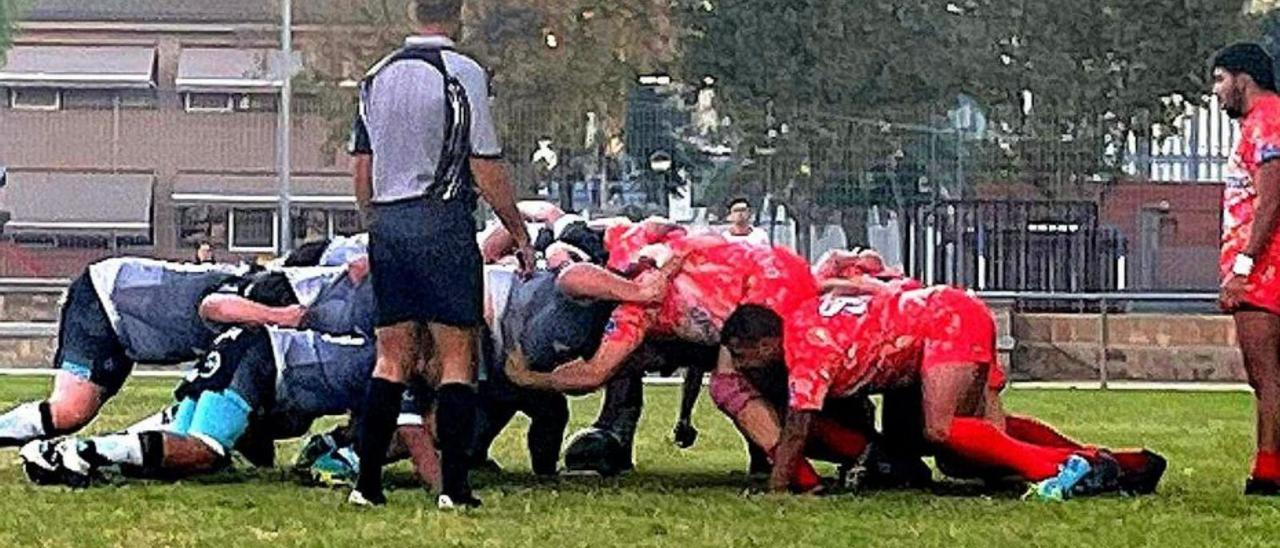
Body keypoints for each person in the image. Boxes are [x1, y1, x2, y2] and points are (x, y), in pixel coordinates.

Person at [719, 285, 1163, 500]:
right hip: (948, 314)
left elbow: (798, 427)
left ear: (765, 343)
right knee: (974, 446)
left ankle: (1072, 466)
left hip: (946, 322)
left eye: (742, 356)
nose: (739, 367)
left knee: (941, 431)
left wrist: (778, 490)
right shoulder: (803, 317)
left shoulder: (804, 351)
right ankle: (1122, 462)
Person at [347, 0, 534, 508]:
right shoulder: (462, 72)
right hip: (442, 221)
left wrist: (375, 222)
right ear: (459, 16)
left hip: (388, 223)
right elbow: (484, 162)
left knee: (391, 357)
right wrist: (516, 230)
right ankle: (454, 487)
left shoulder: (375, 75)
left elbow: (362, 165)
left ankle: (366, 485)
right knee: (457, 358)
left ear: (412, 12)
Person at [0, 258, 306, 449]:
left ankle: (108, 452)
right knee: (70, 410)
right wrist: (280, 316)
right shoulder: (251, 287)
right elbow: (215, 306)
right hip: (105, 301)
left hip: (126, 324)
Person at [1211, 42, 1280, 496]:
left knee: (1266, 376)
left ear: (1243, 78)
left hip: (1265, 272)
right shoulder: (1260, 123)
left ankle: (1268, 472)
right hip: (1262, 267)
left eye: (1219, 80)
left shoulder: (1267, 121)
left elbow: (1271, 198)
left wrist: (1242, 267)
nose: (1216, 92)